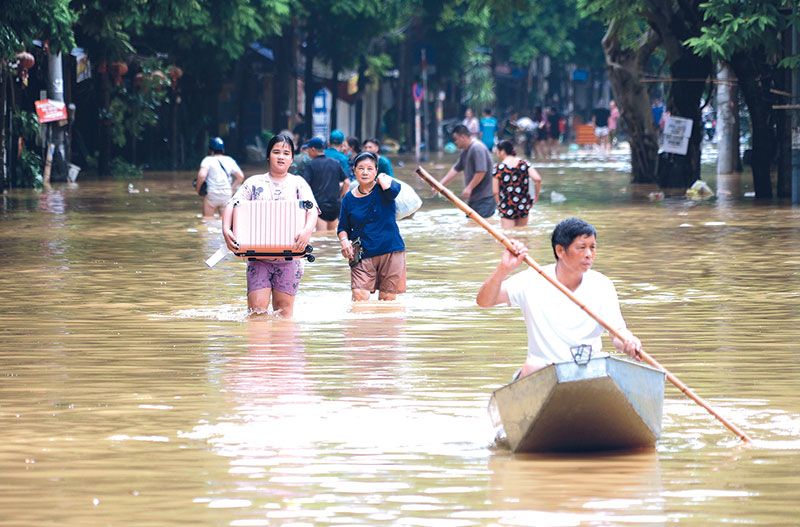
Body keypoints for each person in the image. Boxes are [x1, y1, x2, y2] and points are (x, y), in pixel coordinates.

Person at [476, 217, 643, 379]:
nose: (589, 254)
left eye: (592, 247)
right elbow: (484, 301)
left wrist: (629, 341)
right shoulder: (532, 279)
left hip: (588, 370)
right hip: (544, 372)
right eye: (581, 247)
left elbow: (618, 333)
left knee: (608, 365)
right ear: (560, 251)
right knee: (533, 366)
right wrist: (503, 269)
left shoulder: (602, 284)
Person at [222, 133, 319, 317]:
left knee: (284, 313)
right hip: (258, 259)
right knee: (256, 312)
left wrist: (307, 231)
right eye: (276, 152)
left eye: (286, 153)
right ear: (268, 156)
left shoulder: (298, 183)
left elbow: (312, 209)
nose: (281, 156)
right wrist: (226, 229)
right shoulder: (253, 182)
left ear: (292, 158)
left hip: (291, 260)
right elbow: (231, 205)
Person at [338, 151, 406, 302]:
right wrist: (344, 242)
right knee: (359, 296)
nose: (365, 172)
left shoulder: (384, 189)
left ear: (376, 171)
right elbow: (342, 227)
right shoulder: (348, 199)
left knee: (387, 299)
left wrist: (383, 178)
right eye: (361, 168)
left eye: (370, 168)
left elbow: (394, 191)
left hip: (391, 251)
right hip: (363, 253)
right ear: (354, 170)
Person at [438, 124, 495, 218]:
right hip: (475, 198)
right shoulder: (465, 150)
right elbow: (456, 168)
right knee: (472, 225)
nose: (455, 142)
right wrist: (440, 184)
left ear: (463, 137)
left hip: (485, 199)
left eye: (456, 139)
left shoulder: (477, 148)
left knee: (479, 227)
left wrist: (469, 188)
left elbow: (481, 171)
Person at [492, 140, 542, 229]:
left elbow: (495, 192)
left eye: (497, 152)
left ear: (502, 151)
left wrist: (500, 205)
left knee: (508, 235)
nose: (497, 154)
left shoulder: (498, 168)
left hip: (507, 205)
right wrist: (536, 196)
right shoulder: (524, 164)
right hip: (523, 204)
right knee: (521, 234)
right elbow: (537, 179)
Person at [302, 136, 348, 231]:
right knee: (332, 238)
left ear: (313, 149)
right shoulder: (335, 163)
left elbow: (304, 185)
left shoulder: (311, 165)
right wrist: (340, 196)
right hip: (335, 206)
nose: (307, 152)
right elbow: (347, 182)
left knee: (321, 239)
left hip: (320, 207)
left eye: (308, 150)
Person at [195, 137, 244, 218]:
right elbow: (240, 177)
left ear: (210, 149)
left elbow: (202, 176)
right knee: (224, 222)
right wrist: (232, 189)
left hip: (212, 194)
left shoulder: (207, 160)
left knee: (208, 220)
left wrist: (198, 189)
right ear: (222, 149)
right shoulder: (229, 160)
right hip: (226, 194)